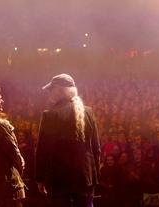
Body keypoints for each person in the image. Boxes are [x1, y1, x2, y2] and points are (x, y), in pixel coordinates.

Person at [35, 74, 101, 207]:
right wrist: (94, 176)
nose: (49, 93)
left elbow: (42, 150)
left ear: (59, 90)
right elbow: (96, 148)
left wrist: (40, 178)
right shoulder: (88, 112)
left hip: (58, 179)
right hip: (85, 177)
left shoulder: (50, 115)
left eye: (51, 89)